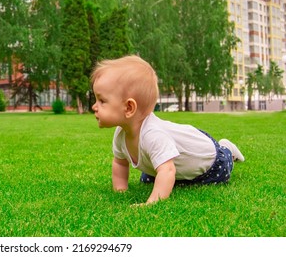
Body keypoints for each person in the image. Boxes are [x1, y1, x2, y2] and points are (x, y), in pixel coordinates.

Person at [90, 55, 245, 206]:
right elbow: (120, 163)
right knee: (149, 178)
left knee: (221, 171)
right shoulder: (120, 134)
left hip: (210, 160)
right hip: (178, 161)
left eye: (102, 101)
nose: (94, 107)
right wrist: (120, 189)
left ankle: (227, 149)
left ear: (129, 108)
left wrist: (152, 203)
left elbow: (167, 171)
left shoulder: (153, 135)